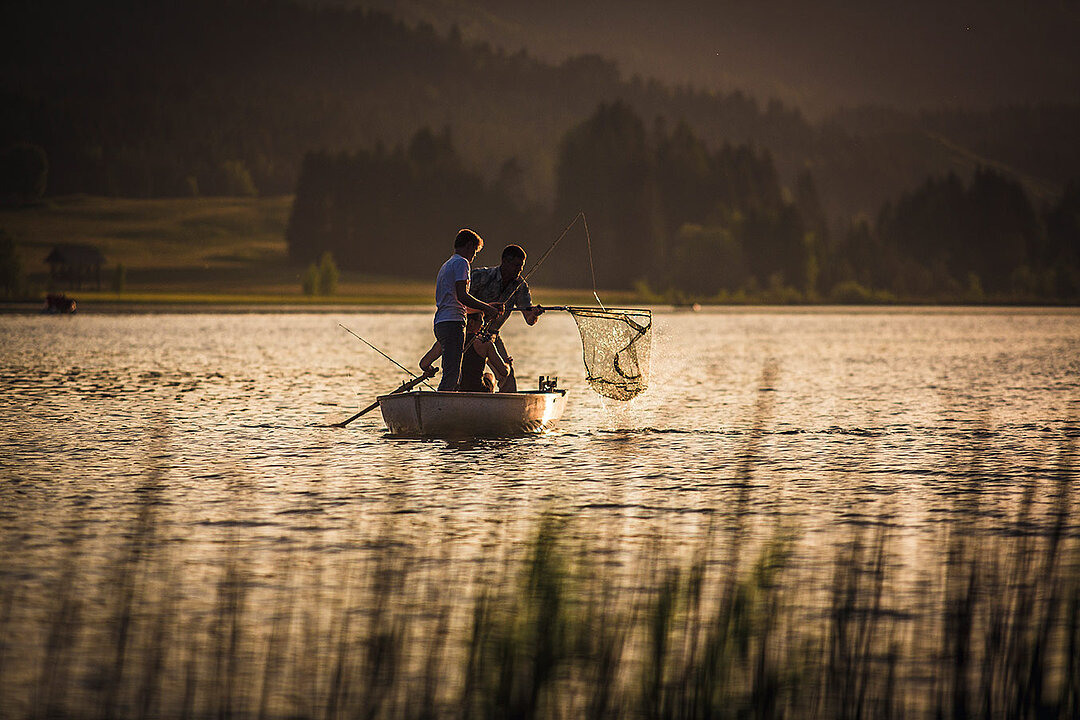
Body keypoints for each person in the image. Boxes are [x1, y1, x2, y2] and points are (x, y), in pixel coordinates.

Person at [469, 244, 545, 392]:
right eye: (516, 265)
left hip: (492, 336)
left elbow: (529, 319)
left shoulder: (520, 285)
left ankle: (505, 405)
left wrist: (535, 313)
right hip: (469, 332)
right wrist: (485, 308)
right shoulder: (480, 276)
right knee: (464, 372)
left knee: (507, 377)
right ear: (504, 262)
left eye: (521, 266)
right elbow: (460, 303)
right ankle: (485, 384)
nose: (519, 270)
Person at [432, 229, 501, 391]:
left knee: (452, 372)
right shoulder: (462, 263)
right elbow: (463, 296)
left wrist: (487, 308)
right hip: (453, 325)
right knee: (452, 374)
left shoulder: (447, 265)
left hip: (442, 322)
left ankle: (444, 405)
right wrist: (485, 307)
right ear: (469, 246)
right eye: (475, 252)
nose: (474, 257)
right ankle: (441, 409)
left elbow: (457, 303)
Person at [419, 312, 512, 391]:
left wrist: (430, 370)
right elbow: (503, 372)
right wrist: (508, 365)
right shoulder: (485, 343)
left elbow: (423, 364)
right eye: (481, 322)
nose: (482, 326)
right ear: (471, 322)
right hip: (477, 391)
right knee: (489, 376)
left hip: (452, 389)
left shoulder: (446, 340)